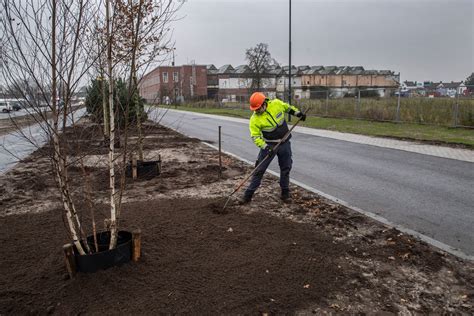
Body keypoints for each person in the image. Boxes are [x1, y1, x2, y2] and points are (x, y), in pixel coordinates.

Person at [240, 92, 306, 204]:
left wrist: (298, 113)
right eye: (254, 109)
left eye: (258, 108)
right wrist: (266, 147)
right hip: (269, 145)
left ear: (264, 103)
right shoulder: (254, 119)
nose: (256, 111)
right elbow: (255, 137)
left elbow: (287, 107)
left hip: (284, 143)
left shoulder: (276, 104)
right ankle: (247, 196)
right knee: (259, 170)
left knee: (286, 168)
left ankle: (285, 193)